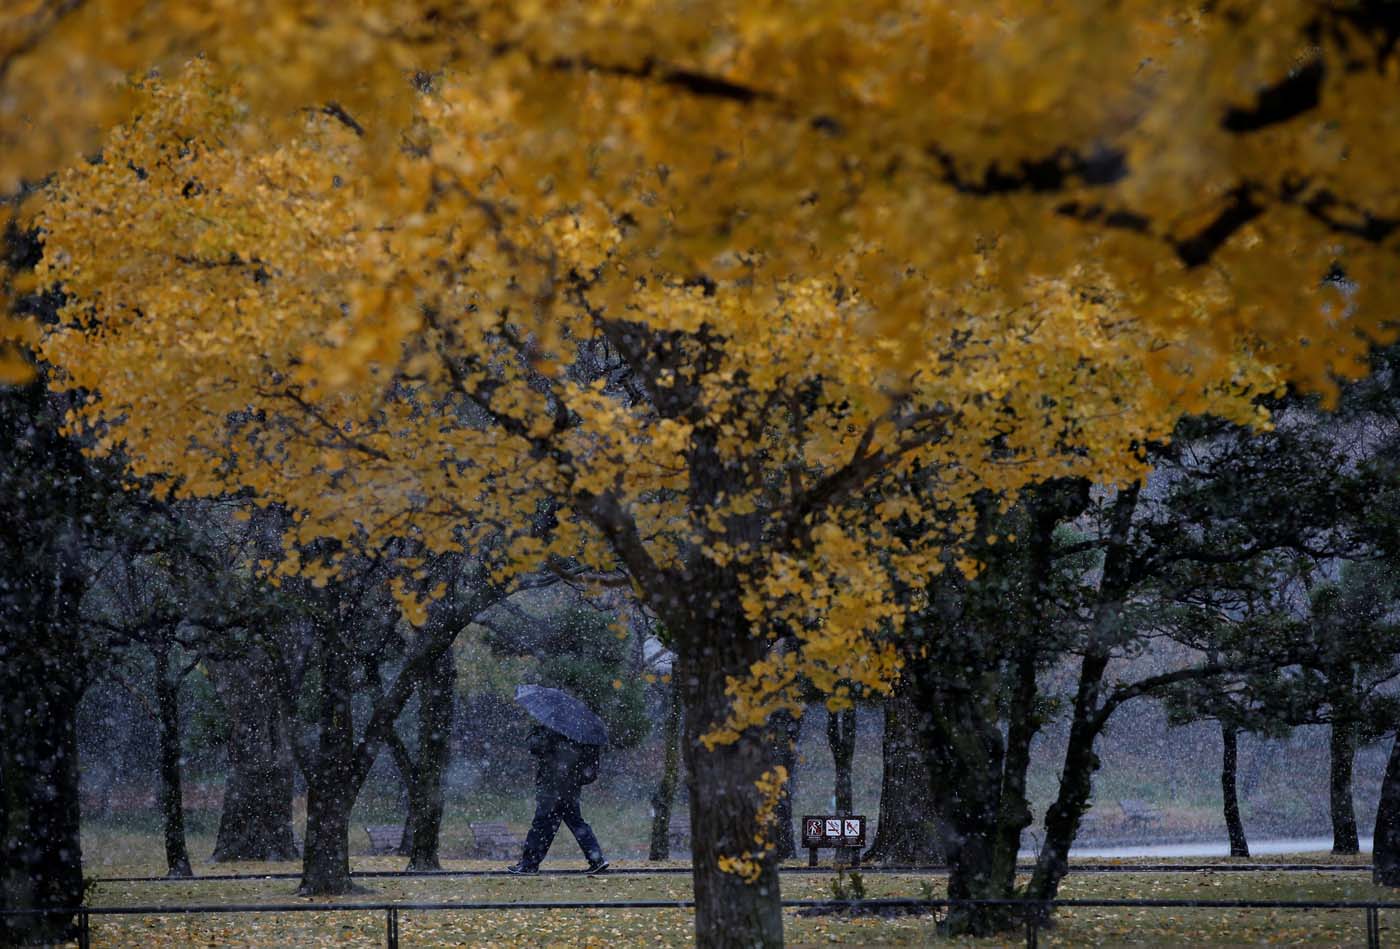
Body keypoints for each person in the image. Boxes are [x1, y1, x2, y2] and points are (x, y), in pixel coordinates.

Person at [507, 724, 608, 874]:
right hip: (570, 788)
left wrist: (537, 731)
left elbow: (535, 748)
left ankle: (529, 864)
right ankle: (597, 859)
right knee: (576, 823)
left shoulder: (552, 728)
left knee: (542, 825)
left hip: (552, 787)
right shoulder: (580, 731)